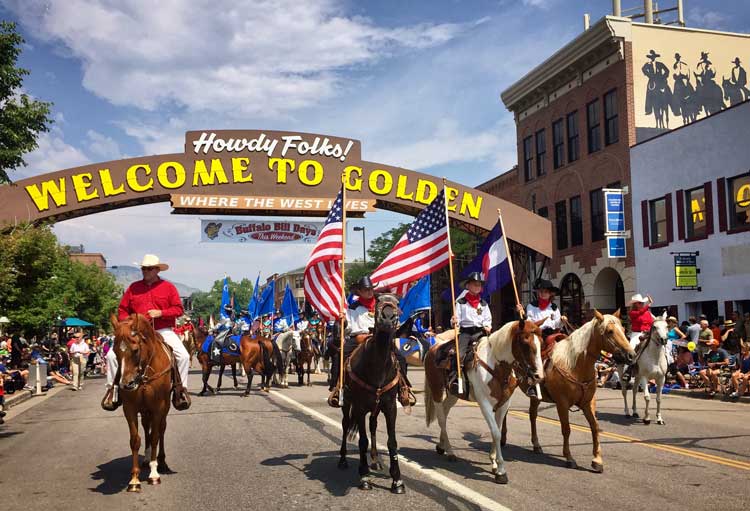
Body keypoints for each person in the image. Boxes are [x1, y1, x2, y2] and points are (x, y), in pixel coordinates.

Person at [103, 254, 190, 411]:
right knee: (111, 355)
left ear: (157, 270)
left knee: (184, 356)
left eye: (149, 269)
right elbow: (122, 309)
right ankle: (113, 390)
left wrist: (161, 313)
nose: (146, 271)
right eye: (144, 269)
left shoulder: (169, 287)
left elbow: (178, 309)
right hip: (136, 332)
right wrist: (127, 323)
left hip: (162, 329)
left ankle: (180, 391)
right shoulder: (133, 288)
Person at [328, 276, 376, 406]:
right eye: (366, 290)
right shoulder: (353, 308)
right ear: (359, 292)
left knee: (398, 355)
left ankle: (403, 388)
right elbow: (349, 328)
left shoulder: (380, 304)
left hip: (377, 337)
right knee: (340, 355)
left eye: (371, 289)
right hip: (359, 338)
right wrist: (343, 320)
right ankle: (338, 386)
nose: (369, 292)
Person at [448, 272, 492, 398]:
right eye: (474, 284)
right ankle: (456, 378)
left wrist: (488, 325)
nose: (477, 287)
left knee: (492, 350)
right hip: (466, 332)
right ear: (468, 286)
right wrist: (454, 321)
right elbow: (456, 319)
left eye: (479, 285)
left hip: (480, 332)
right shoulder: (460, 302)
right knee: (459, 354)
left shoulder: (483, 303)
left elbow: (487, 318)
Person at [518, 279, 566, 358]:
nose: (543, 294)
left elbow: (557, 324)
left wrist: (562, 320)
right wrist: (523, 315)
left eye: (545, 292)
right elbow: (529, 321)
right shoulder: (531, 306)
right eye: (541, 291)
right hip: (538, 334)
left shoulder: (554, 308)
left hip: (552, 334)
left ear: (550, 294)